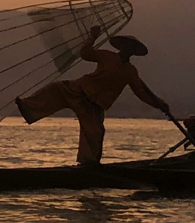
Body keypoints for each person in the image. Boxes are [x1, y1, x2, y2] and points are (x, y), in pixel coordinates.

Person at [13, 27, 170, 165]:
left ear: (133, 52)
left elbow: (142, 93)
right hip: (78, 90)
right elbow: (85, 53)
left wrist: (160, 104)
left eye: (131, 48)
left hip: (94, 106)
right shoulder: (107, 56)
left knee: (95, 133)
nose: (127, 49)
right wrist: (92, 37)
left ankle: (89, 165)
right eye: (126, 46)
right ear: (122, 47)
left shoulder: (131, 72)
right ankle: (27, 106)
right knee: (55, 88)